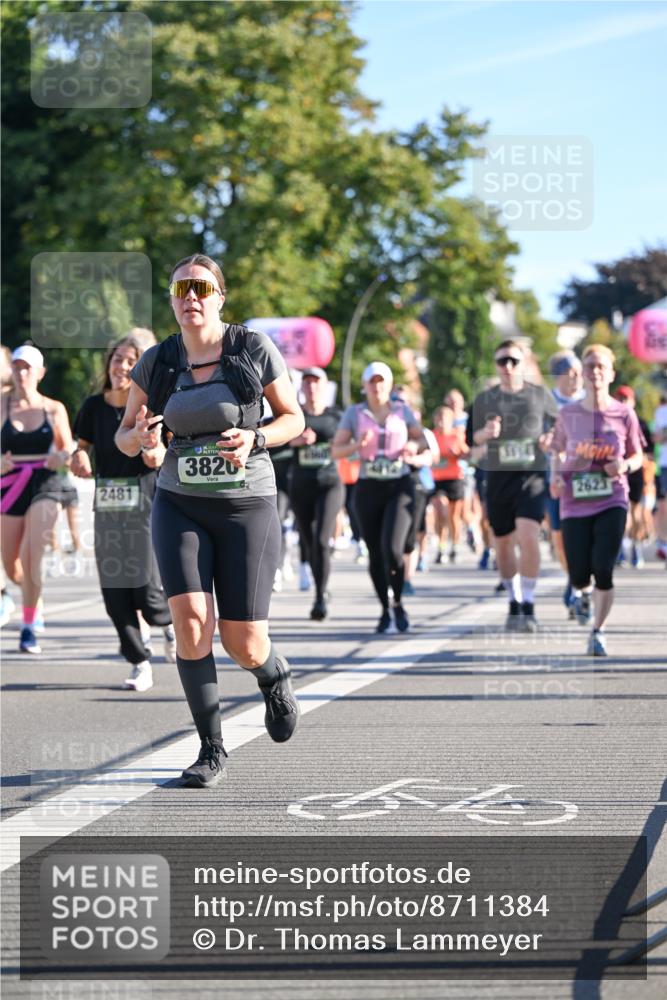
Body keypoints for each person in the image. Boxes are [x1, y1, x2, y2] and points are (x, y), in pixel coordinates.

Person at [115, 254, 304, 788]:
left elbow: (295, 418)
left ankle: (273, 676)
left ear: (220, 296)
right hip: (180, 500)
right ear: (172, 300)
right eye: (180, 290)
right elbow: (125, 435)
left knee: (242, 641)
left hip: (247, 504)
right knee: (191, 624)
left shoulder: (251, 349)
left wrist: (256, 437)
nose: (190, 298)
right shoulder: (158, 361)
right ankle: (211, 749)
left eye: (201, 288)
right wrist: (142, 439)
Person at [72, 334, 176, 692]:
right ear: (109, 364)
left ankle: (168, 623)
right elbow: (81, 447)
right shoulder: (93, 407)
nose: (122, 367)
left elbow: (159, 457)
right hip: (108, 508)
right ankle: (139, 661)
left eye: (131, 361)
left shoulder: (152, 406)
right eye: (117, 359)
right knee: (115, 591)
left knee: (146, 589)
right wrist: (80, 457)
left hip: (147, 505)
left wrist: (150, 450)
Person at [550, 345, 644, 656]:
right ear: (583, 372)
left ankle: (598, 631)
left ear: (611, 373)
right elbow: (556, 450)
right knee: (579, 573)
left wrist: (625, 466)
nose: (595, 371)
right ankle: (583, 593)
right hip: (575, 502)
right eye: (590, 366)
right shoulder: (568, 414)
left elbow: (637, 455)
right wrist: (555, 477)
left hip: (612, 498)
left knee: (603, 567)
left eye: (602, 366)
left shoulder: (624, 413)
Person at [332, 361, 429, 634]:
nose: (377, 386)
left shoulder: (402, 411)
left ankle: (398, 601)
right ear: (364, 386)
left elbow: (422, 440)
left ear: (388, 384)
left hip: (399, 485)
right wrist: (356, 445)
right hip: (368, 487)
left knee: (393, 548)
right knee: (375, 552)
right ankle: (384, 609)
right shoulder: (354, 413)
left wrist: (412, 445)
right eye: (372, 382)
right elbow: (336, 450)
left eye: (381, 381)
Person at [471, 340, 558, 632]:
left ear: (523, 363)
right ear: (496, 365)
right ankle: (514, 601)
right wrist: (485, 433)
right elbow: (471, 444)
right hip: (498, 480)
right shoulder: (485, 400)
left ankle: (530, 604)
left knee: (528, 535)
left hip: (531, 477)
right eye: (502, 362)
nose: (507, 367)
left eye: (513, 361)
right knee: (504, 544)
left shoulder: (540, 395)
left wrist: (549, 440)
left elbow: (559, 428)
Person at [0, 345, 74, 653]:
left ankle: (28, 626)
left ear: (41, 373)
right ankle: (33, 598)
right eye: (17, 367)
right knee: (12, 565)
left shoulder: (53, 409)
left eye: (28, 367)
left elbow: (69, 448)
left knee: (32, 558)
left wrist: (61, 457)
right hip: (9, 486)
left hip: (46, 484)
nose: (22, 373)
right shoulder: (1, 405)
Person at [287, 367, 344, 621]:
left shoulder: (336, 415)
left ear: (325, 386)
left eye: (316, 382)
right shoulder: (294, 415)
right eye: (307, 382)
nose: (311, 387)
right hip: (301, 484)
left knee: (321, 540)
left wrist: (337, 446)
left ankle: (320, 596)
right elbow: (272, 435)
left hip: (329, 483)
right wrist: (295, 440)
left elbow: (348, 443)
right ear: (302, 387)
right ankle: (320, 586)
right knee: (309, 542)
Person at [547, 351, 584, 616]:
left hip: (585, 477)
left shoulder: (591, 400)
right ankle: (573, 577)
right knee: (560, 538)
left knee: (582, 535)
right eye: (572, 373)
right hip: (555, 477)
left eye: (580, 373)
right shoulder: (546, 402)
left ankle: (580, 583)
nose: (578, 378)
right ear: (560, 375)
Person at [613, 386, 653, 569]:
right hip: (615, 473)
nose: (623, 402)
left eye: (626, 399)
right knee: (621, 512)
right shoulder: (608, 420)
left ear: (633, 402)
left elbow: (648, 451)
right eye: (619, 398)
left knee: (635, 512)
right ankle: (621, 549)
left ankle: (636, 548)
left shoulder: (640, 423)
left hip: (635, 473)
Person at [431, 405, 469, 564]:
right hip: (438, 479)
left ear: (451, 421)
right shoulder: (431, 436)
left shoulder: (457, 435)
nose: (441, 422)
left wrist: (457, 453)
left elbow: (466, 454)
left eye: (445, 418)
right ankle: (441, 546)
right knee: (441, 511)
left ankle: (454, 545)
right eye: (439, 418)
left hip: (454, 478)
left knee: (454, 516)